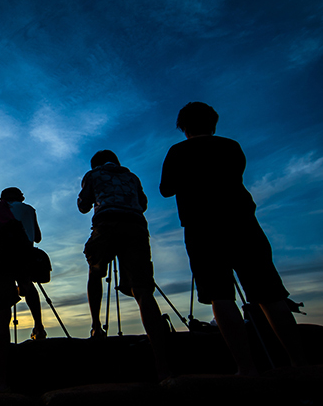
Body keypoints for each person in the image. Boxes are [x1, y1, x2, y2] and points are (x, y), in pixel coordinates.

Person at [160, 102, 305, 375]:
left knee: (220, 296)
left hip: (202, 229)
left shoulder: (178, 151)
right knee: (270, 294)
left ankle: (245, 368)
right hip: (243, 223)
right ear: (213, 124)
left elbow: (166, 189)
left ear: (184, 127)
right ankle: (299, 364)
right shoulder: (231, 146)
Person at [78, 150, 171, 381]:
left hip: (106, 223)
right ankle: (162, 363)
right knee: (142, 289)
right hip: (136, 226)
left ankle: (97, 327)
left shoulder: (93, 174)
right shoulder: (132, 176)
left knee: (95, 272)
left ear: (95, 163)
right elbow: (144, 203)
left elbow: (82, 205)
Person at [0, 187, 45, 393]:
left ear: (2, 197)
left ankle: (0, 380)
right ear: (21, 198)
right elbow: (38, 237)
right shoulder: (29, 209)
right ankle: (38, 327)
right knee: (27, 284)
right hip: (23, 258)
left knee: (2, 316)